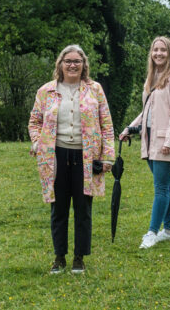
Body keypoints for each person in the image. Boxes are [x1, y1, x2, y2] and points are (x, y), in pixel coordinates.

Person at [29, 44, 114, 274]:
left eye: (77, 61)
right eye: (68, 61)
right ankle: (59, 257)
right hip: (56, 155)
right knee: (59, 208)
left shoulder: (94, 89)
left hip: (86, 157)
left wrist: (107, 156)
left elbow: (106, 124)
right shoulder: (46, 91)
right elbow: (34, 121)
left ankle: (79, 258)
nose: (73, 65)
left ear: (84, 64)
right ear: (60, 64)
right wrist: (38, 143)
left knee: (83, 209)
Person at [119, 36, 170, 249]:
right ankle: (169, 230)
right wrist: (131, 128)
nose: (158, 53)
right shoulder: (154, 77)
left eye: (163, 50)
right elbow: (148, 111)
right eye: (155, 50)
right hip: (149, 139)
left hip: (164, 141)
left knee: (160, 188)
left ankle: (151, 232)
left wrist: (169, 141)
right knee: (166, 185)